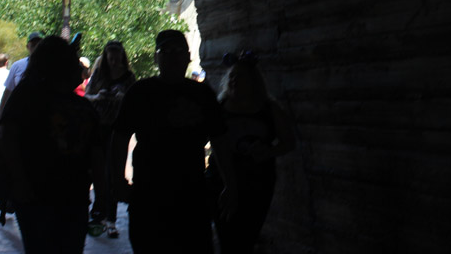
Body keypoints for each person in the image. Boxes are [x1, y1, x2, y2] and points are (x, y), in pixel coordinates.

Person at [110, 30, 238, 254]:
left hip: (191, 194)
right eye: (166, 51)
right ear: (156, 57)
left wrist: (231, 183)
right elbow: (120, 138)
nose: (173, 57)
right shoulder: (140, 92)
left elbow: (220, 140)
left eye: (178, 51)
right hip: (149, 193)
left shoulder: (202, 94)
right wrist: (116, 179)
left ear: (188, 56)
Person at [0, 36, 103, 254]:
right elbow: (8, 136)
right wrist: (20, 181)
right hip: (39, 195)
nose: (79, 66)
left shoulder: (73, 103)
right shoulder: (30, 96)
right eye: (73, 59)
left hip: (70, 195)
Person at [208, 52, 296, 254]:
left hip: (257, 182)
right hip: (220, 180)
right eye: (231, 76)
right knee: (226, 235)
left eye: (241, 76)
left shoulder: (270, 109)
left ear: (254, 81)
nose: (234, 80)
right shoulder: (219, 108)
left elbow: (289, 142)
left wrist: (268, 152)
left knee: (247, 234)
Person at [84, 40, 137, 238]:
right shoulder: (99, 75)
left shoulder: (128, 77)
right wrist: (99, 96)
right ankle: (98, 214)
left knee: (113, 173)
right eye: (110, 58)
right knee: (97, 173)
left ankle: (111, 219)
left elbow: (133, 102)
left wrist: (122, 96)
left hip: (118, 129)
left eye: (117, 59)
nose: (114, 62)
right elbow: (87, 96)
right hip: (98, 128)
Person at [0, 31, 43, 117]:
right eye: (33, 45)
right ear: (27, 47)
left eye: (39, 44)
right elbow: (8, 92)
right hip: (19, 114)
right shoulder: (17, 66)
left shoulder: (50, 66)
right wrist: (0, 115)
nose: (36, 47)